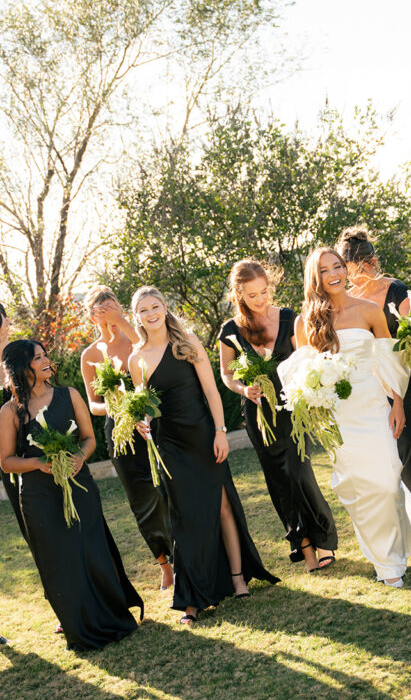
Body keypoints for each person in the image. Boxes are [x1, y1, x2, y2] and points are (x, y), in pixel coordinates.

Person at [278, 248, 411, 587]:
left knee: (387, 480)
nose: (334, 274)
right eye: (325, 270)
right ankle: (387, 563)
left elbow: (390, 360)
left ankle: (395, 547)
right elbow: (303, 372)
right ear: (315, 278)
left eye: (338, 266)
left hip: (373, 406)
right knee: (360, 489)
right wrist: (315, 408)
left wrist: (397, 404)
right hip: (339, 417)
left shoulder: (369, 310)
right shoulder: (306, 321)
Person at [129, 286, 277, 625]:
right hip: (169, 444)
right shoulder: (136, 358)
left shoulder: (187, 342)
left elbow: (211, 391)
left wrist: (220, 431)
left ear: (164, 308)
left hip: (202, 434)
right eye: (143, 310)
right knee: (185, 517)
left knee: (222, 506)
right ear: (136, 317)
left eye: (155, 306)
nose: (151, 314)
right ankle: (192, 599)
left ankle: (237, 579)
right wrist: (141, 420)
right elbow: (145, 404)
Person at [0, 340, 143, 651]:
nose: (47, 361)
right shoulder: (10, 411)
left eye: (46, 355)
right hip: (38, 496)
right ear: (22, 367)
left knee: (92, 549)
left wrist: (78, 457)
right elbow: (6, 461)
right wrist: (39, 463)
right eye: (38, 358)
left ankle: (113, 618)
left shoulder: (70, 395)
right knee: (60, 560)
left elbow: (89, 439)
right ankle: (78, 628)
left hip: (79, 485)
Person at [218, 259, 337, 572]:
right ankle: (305, 548)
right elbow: (226, 374)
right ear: (239, 295)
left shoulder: (288, 318)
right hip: (259, 415)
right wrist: (244, 389)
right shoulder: (230, 331)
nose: (260, 299)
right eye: (252, 295)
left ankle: (323, 537)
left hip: (293, 409)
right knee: (279, 481)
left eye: (263, 291)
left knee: (300, 474)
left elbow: (306, 360)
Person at [337, 227, 411, 526]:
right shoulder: (349, 299)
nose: (352, 278)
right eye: (348, 272)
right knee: (396, 448)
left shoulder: (397, 290)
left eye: (356, 270)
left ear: (372, 262)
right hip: (379, 383)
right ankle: (406, 513)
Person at [80, 286, 173, 589]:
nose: (109, 315)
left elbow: (147, 352)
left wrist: (122, 323)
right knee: (141, 499)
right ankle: (164, 564)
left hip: (153, 422)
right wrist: (115, 406)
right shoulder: (90, 354)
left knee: (168, 489)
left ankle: (185, 554)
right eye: (102, 311)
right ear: (92, 316)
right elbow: (93, 404)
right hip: (120, 432)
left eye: (113, 308)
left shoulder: (138, 337)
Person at [0, 305, 29, 544]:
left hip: (37, 436)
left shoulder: (25, 353)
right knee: (24, 511)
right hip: (6, 452)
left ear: (7, 320)